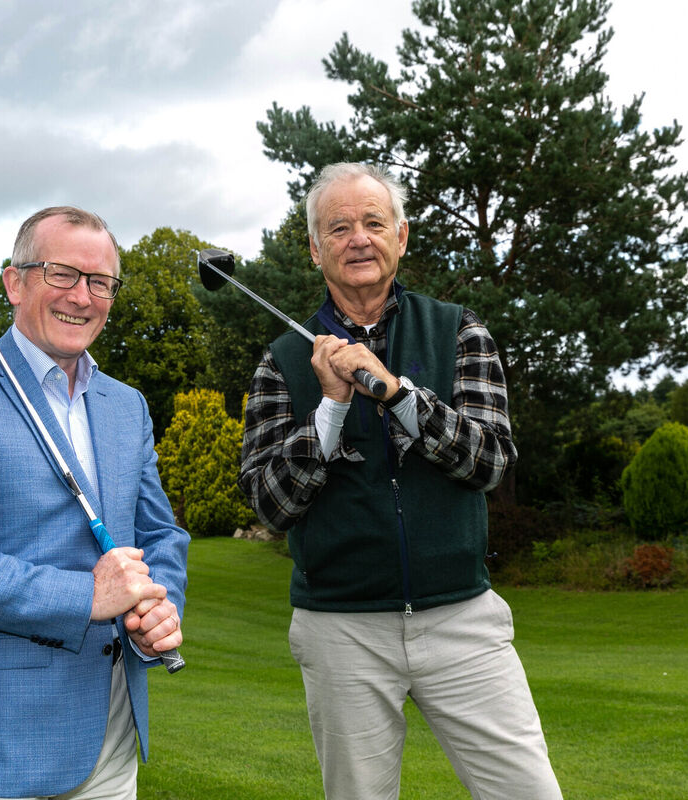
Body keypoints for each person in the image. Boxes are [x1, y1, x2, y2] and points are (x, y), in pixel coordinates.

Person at [239, 162, 562, 800]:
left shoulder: (458, 329)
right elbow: (268, 503)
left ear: (402, 237)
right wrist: (329, 410)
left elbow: (492, 461)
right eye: (338, 228)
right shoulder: (281, 361)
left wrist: (399, 395)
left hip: (461, 618)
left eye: (373, 223)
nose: (358, 238)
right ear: (314, 249)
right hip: (342, 628)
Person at [0, 206, 189, 800]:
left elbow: (161, 535)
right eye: (62, 274)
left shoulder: (125, 405)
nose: (82, 297)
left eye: (100, 282)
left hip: (112, 731)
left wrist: (159, 608)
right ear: (14, 283)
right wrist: (89, 596)